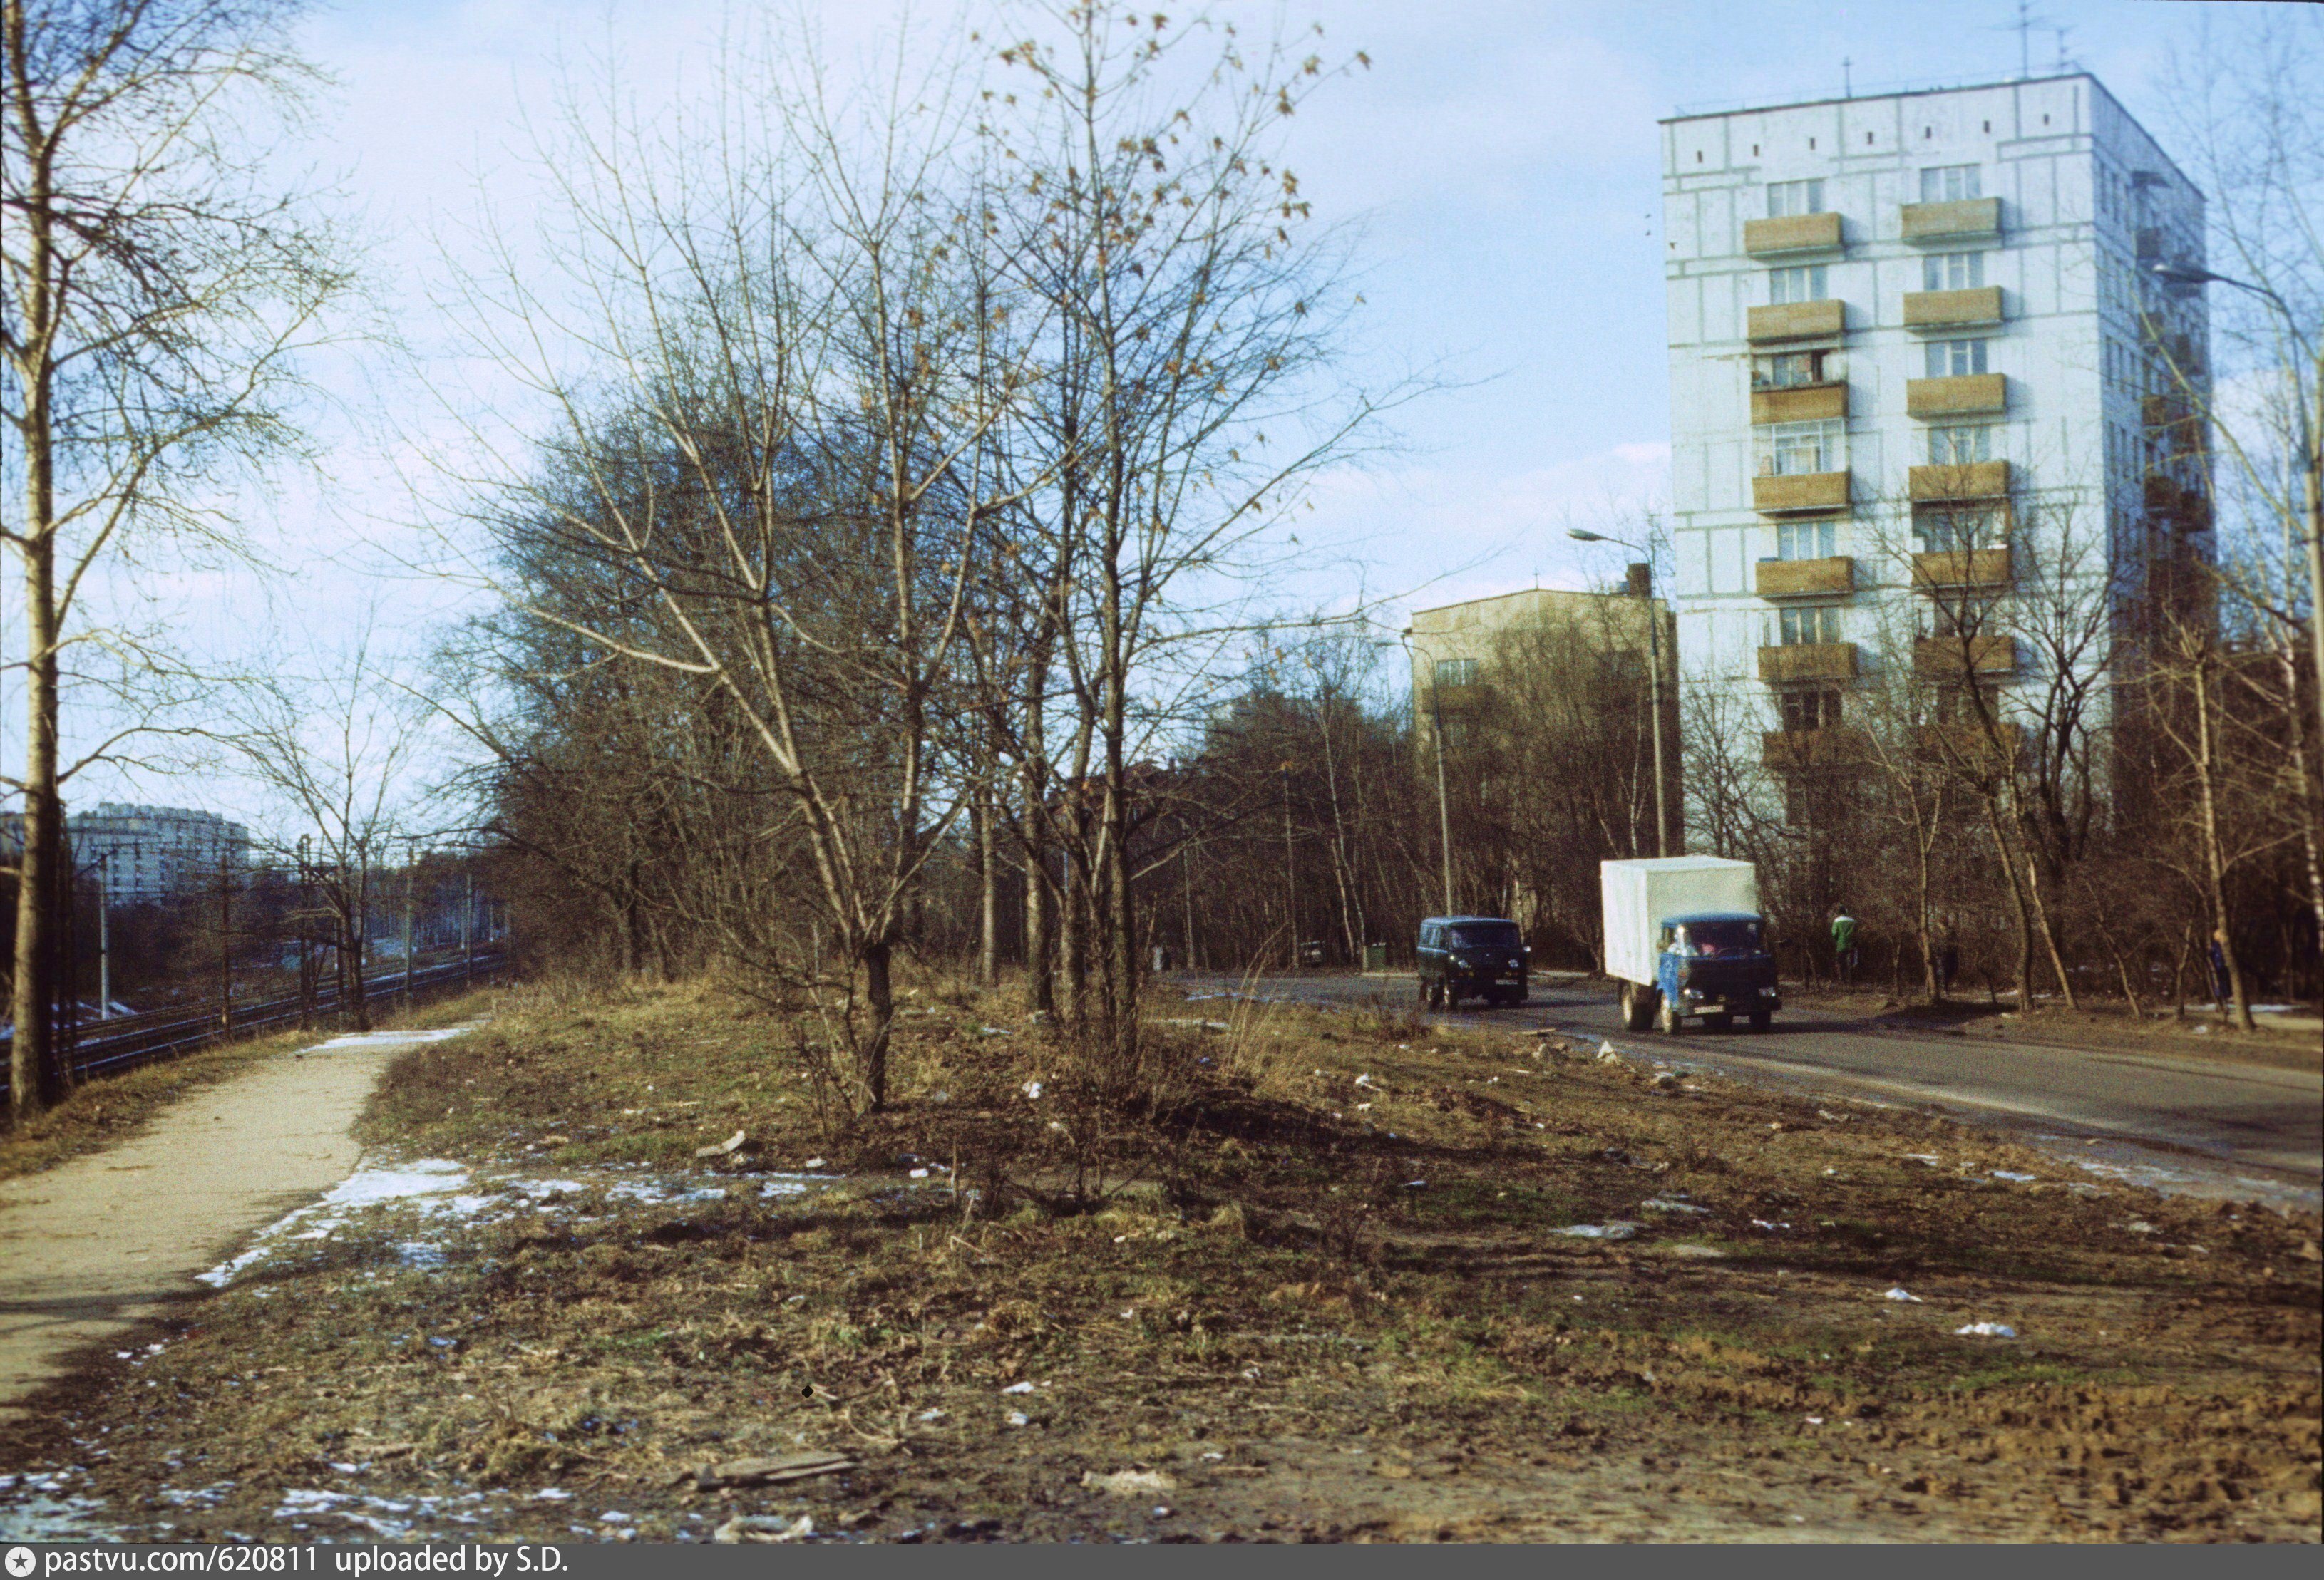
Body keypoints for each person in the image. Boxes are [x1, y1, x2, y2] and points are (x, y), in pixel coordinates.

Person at [1831, 908, 1858, 986]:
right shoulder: (1853, 921)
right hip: (1851, 945)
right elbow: (1856, 933)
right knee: (1851, 962)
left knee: (1840, 962)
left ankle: (1841, 980)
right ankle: (1851, 981)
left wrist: (1838, 940)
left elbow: (1834, 933)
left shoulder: (1837, 921)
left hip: (1840, 945)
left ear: (1839, 912)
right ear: (1846, 912)